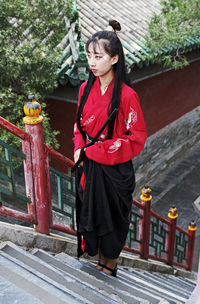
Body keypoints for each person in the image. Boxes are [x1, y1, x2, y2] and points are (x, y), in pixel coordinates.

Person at [73, 20, 147, 277]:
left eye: (99, 56)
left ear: (114, 58)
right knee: (92, 215)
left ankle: (109, 265)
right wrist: (79, 147)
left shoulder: (127, 96)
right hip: (90, 168)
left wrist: (92, 151)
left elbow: (135, 138)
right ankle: (99, 261)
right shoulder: (85, 89)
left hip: (114, 171)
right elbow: (79, 126)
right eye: (89, 56)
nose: (92, 62)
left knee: (113, 220)